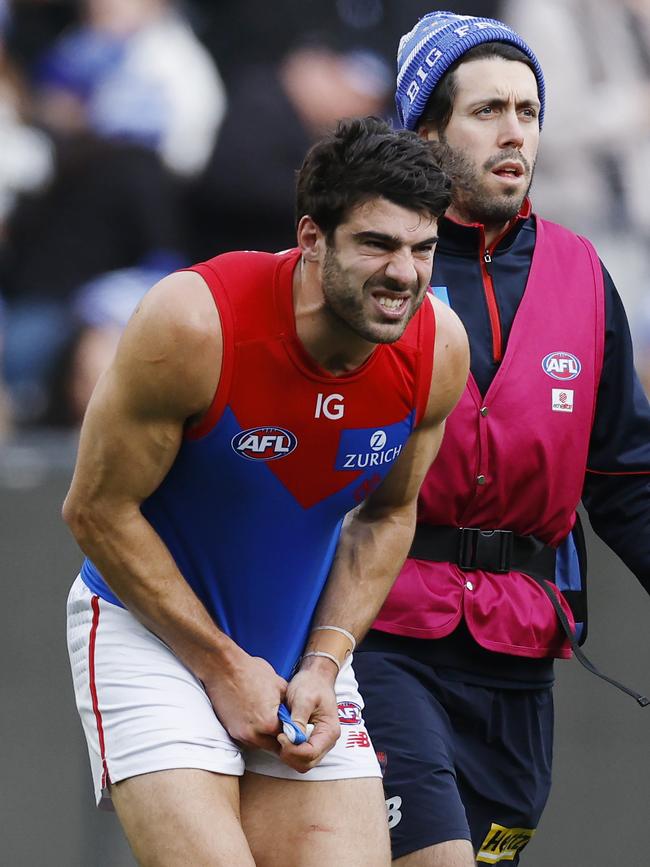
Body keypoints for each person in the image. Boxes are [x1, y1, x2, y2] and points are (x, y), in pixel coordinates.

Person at [62, 116, 469, 867]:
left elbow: (388, 515)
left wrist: (322, 661)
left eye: (422, 248)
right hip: (150, 639)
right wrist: (222, 665)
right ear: (312, 237)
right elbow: (95, 508)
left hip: (296, 657)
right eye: (376, 244)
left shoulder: (438, 345)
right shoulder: (194, 321)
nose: (405, 274)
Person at [352, 12, 650, 867]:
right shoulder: (372, 261)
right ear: (426, 128)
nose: (515, 130)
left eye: (529, 109)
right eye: (487, 110)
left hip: (523, 646)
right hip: (383, 631)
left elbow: (626, 477)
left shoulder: (583, 273)